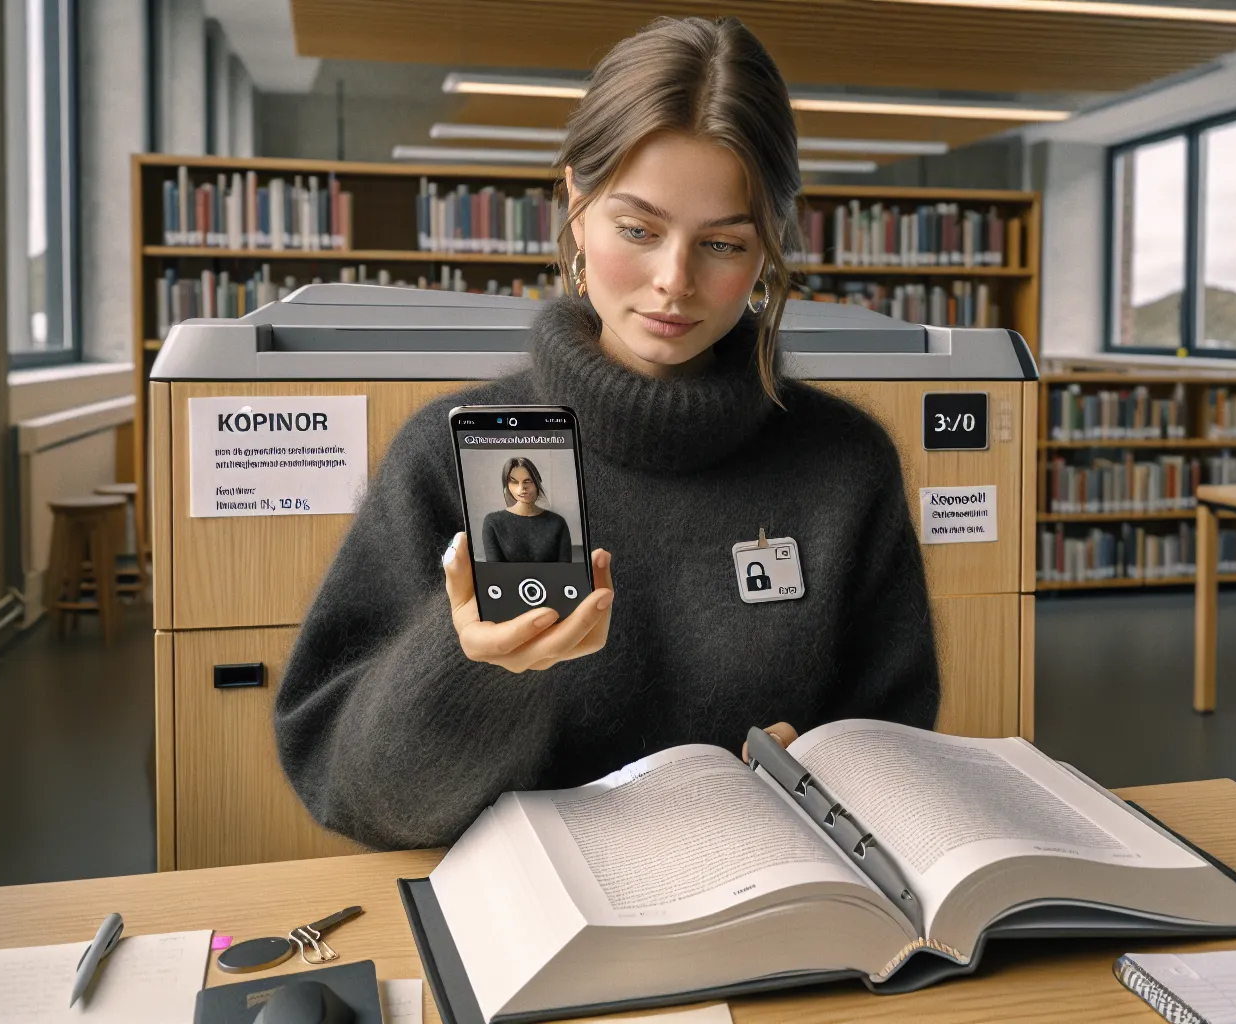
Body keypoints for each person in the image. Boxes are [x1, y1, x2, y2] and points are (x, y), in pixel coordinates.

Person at [274, 15, 940, 851]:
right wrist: (470, 664)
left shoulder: (846, 466)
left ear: (769, 250)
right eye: (638, 229)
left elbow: (900, 743)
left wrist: (840, 774)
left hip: (777, 922)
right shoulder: (448, 456)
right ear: (575, 208)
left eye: (723, 243)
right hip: (527, 941)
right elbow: (350, 795)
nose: (674, 282)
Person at [480, 457, 573, 563]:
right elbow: (494, 572)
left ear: (537, 482)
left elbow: (565, 572)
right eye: (514, 482)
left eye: (528, 481)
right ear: (507, 485)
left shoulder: (557, 523)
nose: (522, 487)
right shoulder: (493, 522)